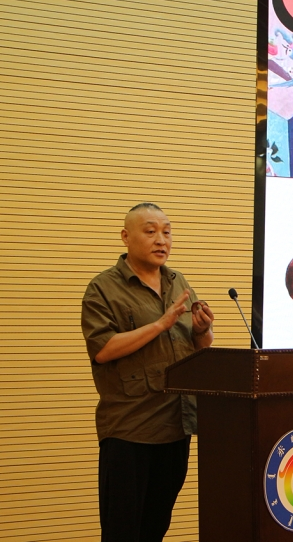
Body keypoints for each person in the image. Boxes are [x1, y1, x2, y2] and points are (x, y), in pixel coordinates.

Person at [81, 203, 214, 542]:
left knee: (156, 527)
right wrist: (160, 324)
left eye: (167, 232)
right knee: (123, 530)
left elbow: (199, 346)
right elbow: (103, 349)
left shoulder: (177, 281)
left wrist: (202, 330)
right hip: (131, 427)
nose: (161, 240)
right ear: (126, 237)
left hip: (176, 424)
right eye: (151, 231)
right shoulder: (103, 288)